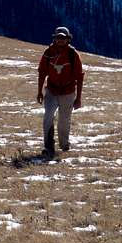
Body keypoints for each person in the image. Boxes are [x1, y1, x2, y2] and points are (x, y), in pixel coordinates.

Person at [37, 26, 85, 158]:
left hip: (68, 92)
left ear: (68, 39)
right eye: (58, 37)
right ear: (55, 38)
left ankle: (64, 144)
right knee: (48, 117)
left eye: (63, 38)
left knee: (64, 120)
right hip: (51, 91)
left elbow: (79, 76)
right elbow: (42, 72)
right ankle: (48, 146)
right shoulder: (48, 53)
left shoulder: (72, 54)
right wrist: (40, 91)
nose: (60, 40)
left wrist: (78, 98)